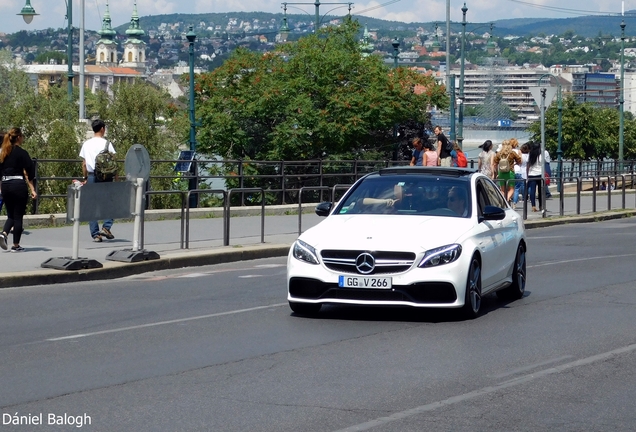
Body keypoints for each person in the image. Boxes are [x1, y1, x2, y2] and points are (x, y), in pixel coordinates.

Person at [0, 128, 37, 252]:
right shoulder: (22, 153)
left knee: (11, 214)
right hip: (18, 184)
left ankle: (4, 234)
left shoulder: (3, 152)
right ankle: (16, 245)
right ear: (19, 137)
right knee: (18, 216)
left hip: (5, 185)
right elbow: (29, 171)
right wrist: (32, 189)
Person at [79, 119, 116, 242]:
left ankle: (96, 234)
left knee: (92, 205)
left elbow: (84, 164)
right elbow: (113, 161)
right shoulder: (107, 144)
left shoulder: (86, 144)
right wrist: (116, 176)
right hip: (106, 177)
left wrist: (85, 178)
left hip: (92, 176)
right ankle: (106, 226)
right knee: (110, 202)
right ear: (102, 129)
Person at [492, 140, 521, 205]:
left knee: (502, 190)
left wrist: (495, 173)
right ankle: (506, 200)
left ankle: (503, 201)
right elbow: (519, 160)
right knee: (511, 189)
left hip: (501, 172)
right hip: (510, 172)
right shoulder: (512, 153)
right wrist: (515, 163)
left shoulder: (499, 153)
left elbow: (495, 163)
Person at [526, 141, 544, 212]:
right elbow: (543, 164)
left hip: (531, 174)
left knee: (532, 191)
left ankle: (533, 206)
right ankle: (541, 205)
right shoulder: (540, 155)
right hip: (539, 174)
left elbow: (528, 166)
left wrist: (527, 174)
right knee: (540, 190)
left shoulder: (530, 155)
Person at [513, 142, 530, 209]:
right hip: (525, 171)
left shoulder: (520, 155)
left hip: (518, 170)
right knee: (524, 186)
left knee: (516, 188)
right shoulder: (528, 156)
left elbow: (518, 162)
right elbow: (528, 165)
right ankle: (525, 198)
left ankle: (514, 202)